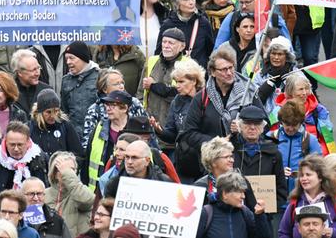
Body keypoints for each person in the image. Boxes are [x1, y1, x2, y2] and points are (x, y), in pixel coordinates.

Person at [177, 46, 261, 174]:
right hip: (214, 164)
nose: (229, 73)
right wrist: (215, 143)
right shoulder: (202, 97)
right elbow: (189, 133)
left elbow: (264, 123)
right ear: (212, 72)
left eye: (231, 68)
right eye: (223, 69)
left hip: (244, 160)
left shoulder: (248, 92)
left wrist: (243, 129)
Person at [0, 121, 48, 221]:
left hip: (36, 216)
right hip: (2, 218)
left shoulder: (40, 158)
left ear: (28, 142)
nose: (16, 149)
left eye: (20, 145)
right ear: (5, 142)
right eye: (12, 144)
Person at [278, 155, 336, 238]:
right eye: (302, 175)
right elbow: (283, 233)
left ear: (320, 177)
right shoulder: (295, 203)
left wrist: (333, 233)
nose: (304, 178)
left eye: (308, 175)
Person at [195, 171, 272, 238]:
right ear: (225, 194)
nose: (243, 196)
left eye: (244, 192)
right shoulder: (206, 213)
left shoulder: (245, 213)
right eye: (239, 192)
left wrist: (260, 215)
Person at [102, 140, 173, 198]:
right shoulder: (114, 184)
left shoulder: (164, 183)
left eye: (134, 158)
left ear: (147, 161)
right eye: (127, 157)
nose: (129, 162)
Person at [46, 151, 95, 236]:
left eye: (71, 170)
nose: (65, 172)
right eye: (60, 169)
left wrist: (68, 174)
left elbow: (89, 200)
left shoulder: (80, 192)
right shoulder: (43, 194)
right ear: (54, 173)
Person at [29, 89, 81, 159]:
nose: (53, 116)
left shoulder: (65, 126)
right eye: (48, 112)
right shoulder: (31, 128)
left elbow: (78, 154)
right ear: (40, 112)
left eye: (56, 111)